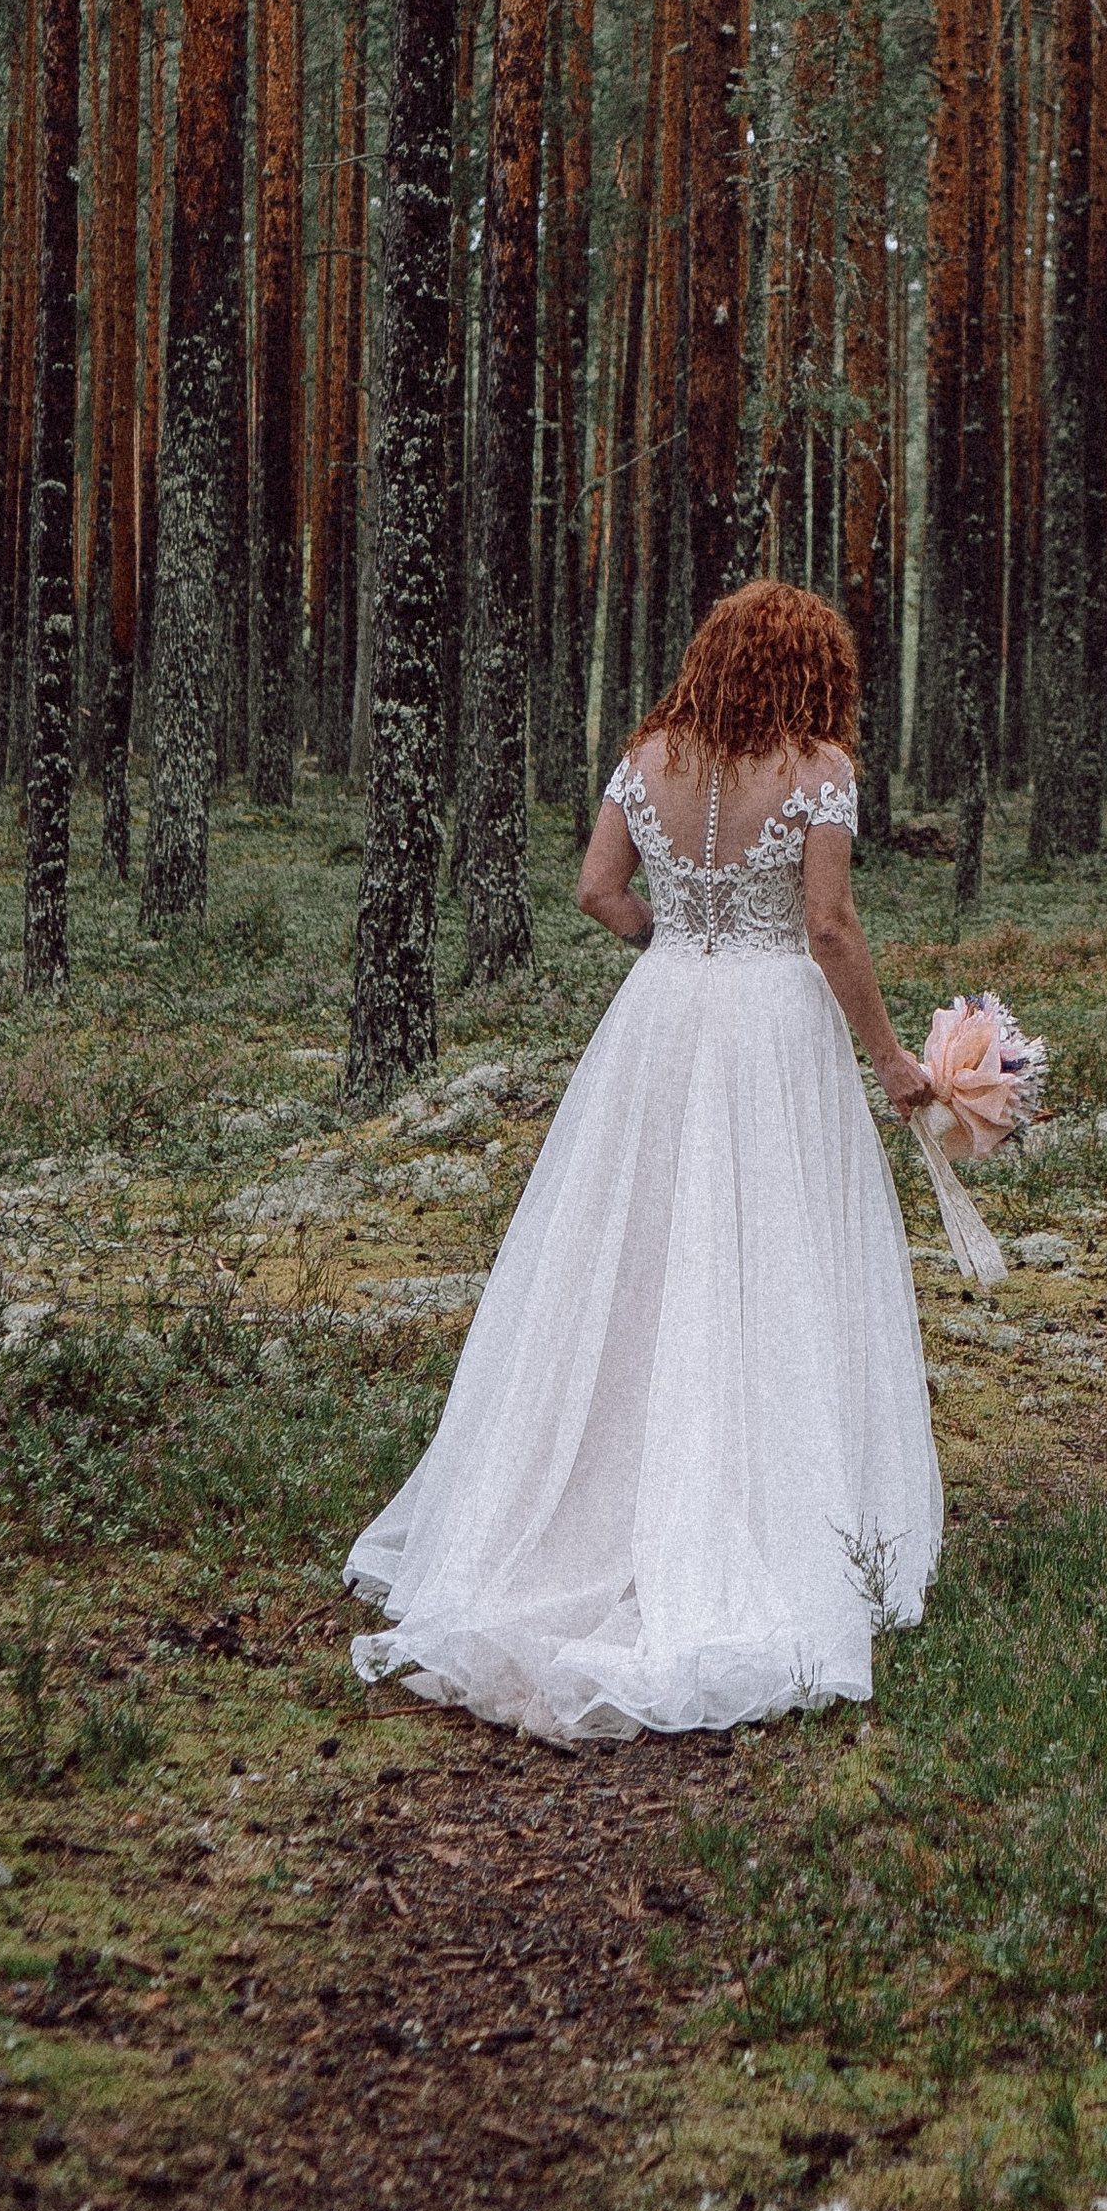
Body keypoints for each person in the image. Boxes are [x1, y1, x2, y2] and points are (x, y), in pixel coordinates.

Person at [347, 579, 942, 1744]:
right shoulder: (819, 769)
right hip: (774, 1028)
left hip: (660, 1021)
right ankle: (766, 1509)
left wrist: (672, 945)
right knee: (772, 1255)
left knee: (632, 1260)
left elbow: (593, 890)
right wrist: (890, 1059)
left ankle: (589, 1493)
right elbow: (827, 925)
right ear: (810, 668)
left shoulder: (648, 756)